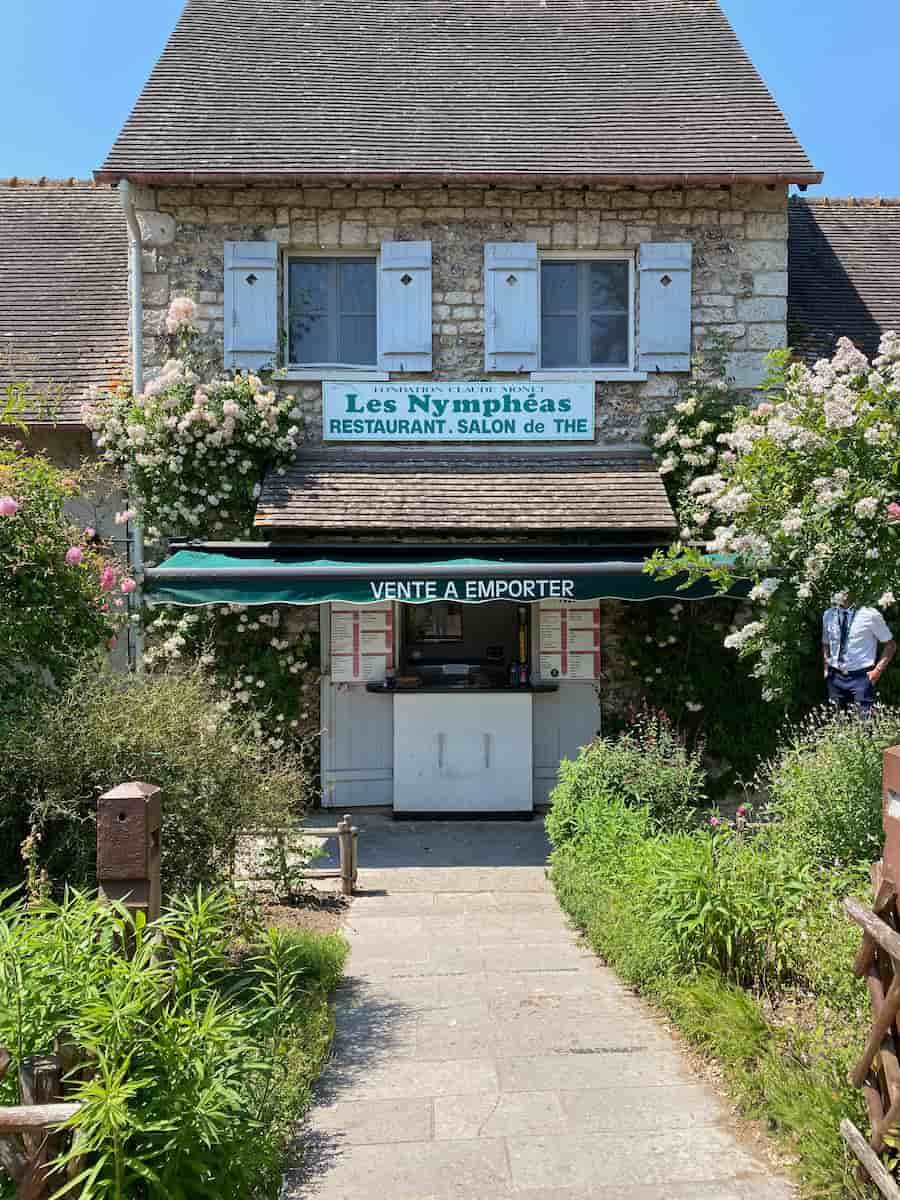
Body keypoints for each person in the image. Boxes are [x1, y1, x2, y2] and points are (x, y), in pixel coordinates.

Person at [822, 592, 896, 717]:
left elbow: (891, 645)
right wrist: (826, 668)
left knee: (864, 725)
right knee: (838, 723)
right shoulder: (828, 614)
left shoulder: (870, 614)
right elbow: (826, 643)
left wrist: (877, 671)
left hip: (861, 677)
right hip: (835, 677)